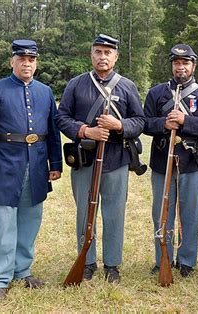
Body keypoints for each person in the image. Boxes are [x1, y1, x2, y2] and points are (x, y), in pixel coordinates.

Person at [0, 39, 62, 302]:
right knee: (2, 225)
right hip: (4, 166)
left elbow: (53, 132)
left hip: (35, 167)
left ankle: (22, 271)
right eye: (22, 59)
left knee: (30, 222)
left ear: (36, 63)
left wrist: (55, 164)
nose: (27, 63)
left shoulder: (45, 91)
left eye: (31, 59)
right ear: (12, 61)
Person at [55, 34, 144, 284]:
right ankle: (87, 261)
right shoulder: (76, 84)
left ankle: (112, 264)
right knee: (85, 212)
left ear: (115, 56)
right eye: (98, 52)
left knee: (114, 213)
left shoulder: (127, 86)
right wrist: (86, 131)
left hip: (116, 158)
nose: (102, 57)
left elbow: (140, 121)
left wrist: (119, 125)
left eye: (107, 52)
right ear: (91, 54)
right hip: (85, 159)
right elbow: (62, 118)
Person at [144, 44, 198, 277]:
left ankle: (187, 261)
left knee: (190, 214)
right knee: (162, 213)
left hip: (192, 162)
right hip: (162, 161)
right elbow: (144, 123)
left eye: (185, 63)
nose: (181, 67)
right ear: (172, 65)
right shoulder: (156, 93)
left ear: (193, 65)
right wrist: (163, 124)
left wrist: (186, 122)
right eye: (177, 63)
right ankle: (163, 259)